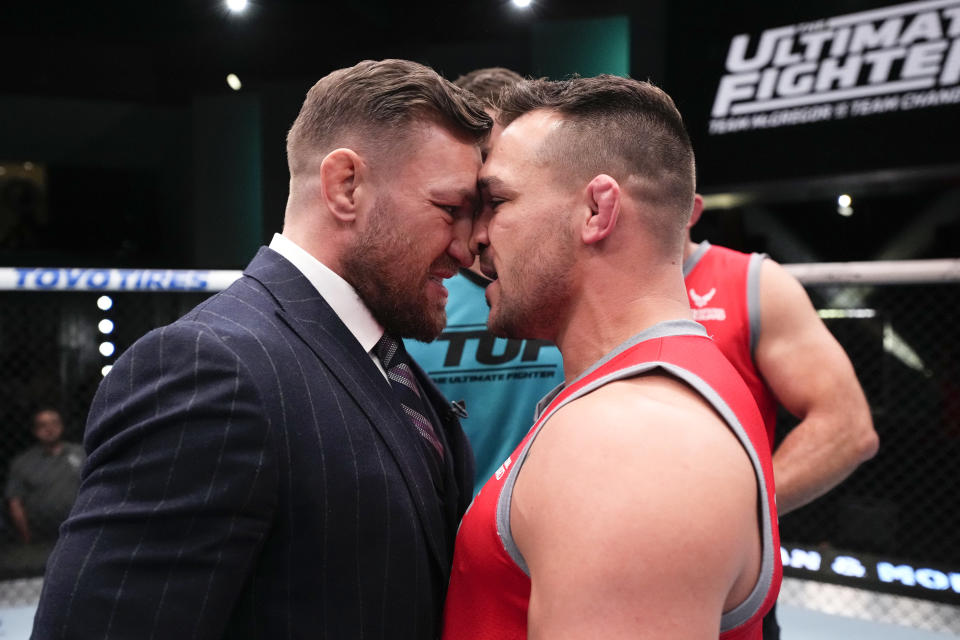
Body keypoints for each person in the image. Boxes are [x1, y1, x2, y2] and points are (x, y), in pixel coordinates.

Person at [31, 59, 490, 640]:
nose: (469, 247)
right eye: (450, 209)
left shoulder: (384, 357)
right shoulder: (209, 368)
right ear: (345, 186)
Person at [442, 76, 780, 639]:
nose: (476, 236)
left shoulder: (630, 439)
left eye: (497, 202)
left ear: (597, 211)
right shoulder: (638, 399)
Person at [683, 196, 879, 638]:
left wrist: (731, 517)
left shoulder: (748, 282)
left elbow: (847, 428)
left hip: (722, 582)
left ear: (691, 208)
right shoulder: (559, 284)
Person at [406, 67, 565, 490]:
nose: (491, 166)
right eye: (485, 150)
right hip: (448, 540)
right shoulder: (412, 295)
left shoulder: (577, 285)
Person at [4, 407, 84, 545]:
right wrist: (26, 536)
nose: (49, 428)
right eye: (43, 425)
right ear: (35, 431)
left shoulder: (81, 453)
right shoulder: (23, 462)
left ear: (61, 426)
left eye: (54, 423)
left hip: (81, 529)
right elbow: (15, 502)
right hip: (41, 538)